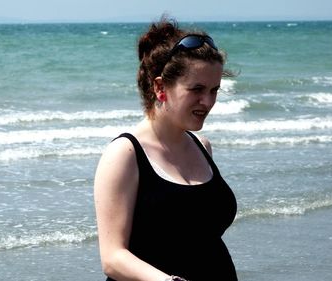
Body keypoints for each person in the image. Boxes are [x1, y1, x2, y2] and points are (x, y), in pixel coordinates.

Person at [94, 16, 238, 281]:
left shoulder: (202, 147)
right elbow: (113, 257)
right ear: (160, 87)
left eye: (214, 90)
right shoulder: (125, 154)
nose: (207, 102)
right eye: (197, 89)